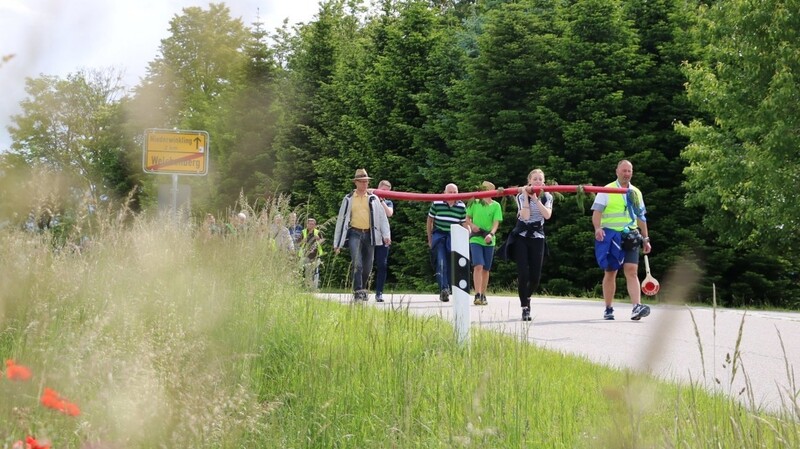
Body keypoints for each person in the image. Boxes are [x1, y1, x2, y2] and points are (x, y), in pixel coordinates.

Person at [592, 159, 652, 321]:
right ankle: (608, 308)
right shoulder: (606, 190)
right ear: (617, 171)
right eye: (624, 171)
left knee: (632, 270)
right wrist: (598, 228)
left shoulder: (636, 192)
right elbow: (596, 213)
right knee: (611, 271)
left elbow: (641, 217)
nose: (626, 174)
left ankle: (636, 307)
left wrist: (645, 238)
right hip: (611, 236)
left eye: (629, 171)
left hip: (631, 236)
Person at [333, 169, 391, 302]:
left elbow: (382, 217)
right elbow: (341, 220)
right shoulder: (348, 199)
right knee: (357, 263)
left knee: (368, 265)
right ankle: (358, 290)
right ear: (356, 183)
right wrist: (337, 243)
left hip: (370, 234)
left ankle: (362, 288)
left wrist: (386, 234)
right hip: (355, 233)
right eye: (363, 182)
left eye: (367, 182)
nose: (365, 184)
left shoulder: (373, 199)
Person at [506, 169, 553, 321]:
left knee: (535, 276)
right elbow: (525, 216)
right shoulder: (521, 195)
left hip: (537, 237)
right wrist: (527, 197)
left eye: (541, 179)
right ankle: (525, 307)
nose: (538, 181)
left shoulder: (547, 196)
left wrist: (536, 199)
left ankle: (527, 297)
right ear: (530, 182)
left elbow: (547, 215)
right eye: (535, 179)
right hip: (522, 236)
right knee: (523, 274)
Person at [427, 183, 467, 302]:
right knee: (441, 262)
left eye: (455, 192)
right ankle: (443, 289)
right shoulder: (437, 203)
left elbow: (463, 224)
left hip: (454, 237)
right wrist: (430, 239)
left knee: (451, 264)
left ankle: (449, 287)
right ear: (445, 192)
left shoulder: (461, 206)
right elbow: (429, 221)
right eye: (450, 192)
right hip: (439, 235)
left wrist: (467, 236)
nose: (453, 194)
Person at [465, 181, 503, 306]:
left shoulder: (496, 205)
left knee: (486, 268)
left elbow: (496, 223)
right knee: (478, 265)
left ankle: (483, 294)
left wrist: (491, 234)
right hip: (476, 238)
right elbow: (467, 218)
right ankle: (477, 293)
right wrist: (472, 225)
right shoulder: (475, 202)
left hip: (488, 238)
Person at [373, 180, 394, 302]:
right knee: (367, 265)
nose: (385, 193)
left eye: (387, 191)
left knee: (382, 265)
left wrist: (382, 201)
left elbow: (389, 213)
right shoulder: (370, 199)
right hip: (370, 236)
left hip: (383, 236)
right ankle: (362, 291)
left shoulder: (388, 202)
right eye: (383, 190)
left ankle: (379, 292)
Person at [299, 217, 324, 289]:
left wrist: (318, 239)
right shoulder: (303, 232)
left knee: (313, 271)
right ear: (307, 224)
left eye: (313, 224)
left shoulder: (317, 232)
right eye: (310, 224)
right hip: (305, 255)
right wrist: (303, 240)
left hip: (316, 256)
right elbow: (298, 243)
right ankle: (308, 286)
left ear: (315, 225)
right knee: (307, 270)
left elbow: (322, 241)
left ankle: (312, 287)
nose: (311, 225)